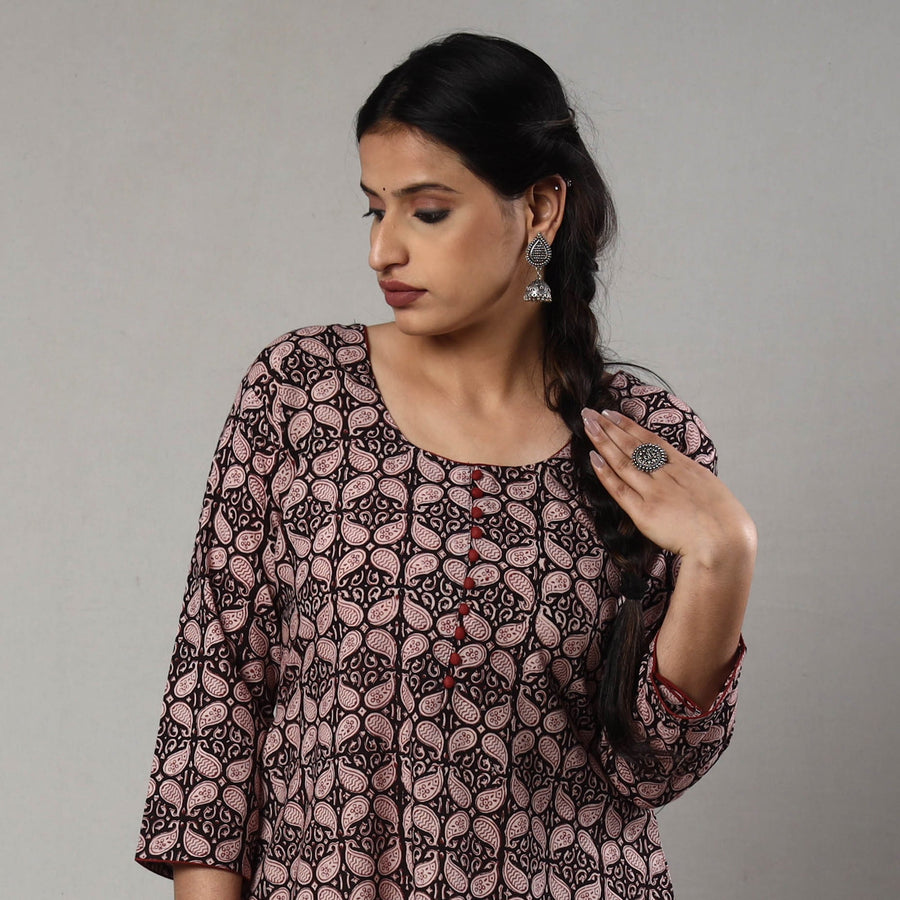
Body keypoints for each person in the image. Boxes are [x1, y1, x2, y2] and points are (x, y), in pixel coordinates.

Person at [135, 32, 756, 900]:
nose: (383, 251)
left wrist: (723, 555)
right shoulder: (302, 392)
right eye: (374, 211)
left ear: (540, 208)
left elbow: (652, 769)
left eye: (426, 212)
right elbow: (214, 713)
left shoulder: (643, 439)